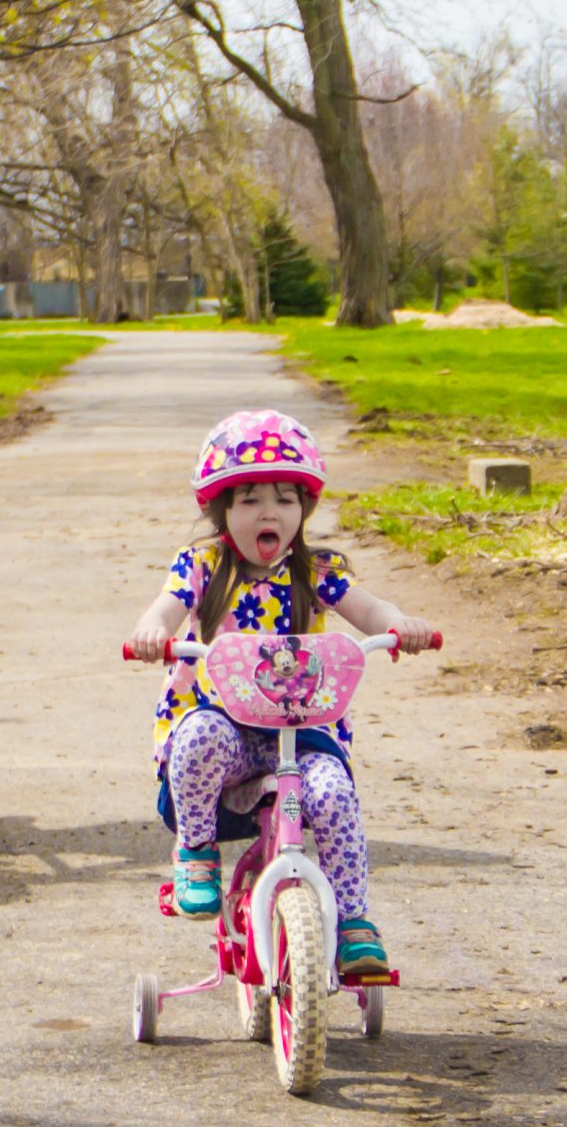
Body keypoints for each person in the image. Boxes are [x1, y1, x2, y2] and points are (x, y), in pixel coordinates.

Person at [125, 411, 438, 977]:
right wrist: (152, 630)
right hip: (229, 732)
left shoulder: (317, 571)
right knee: (197, 736)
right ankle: (196, 854)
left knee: (334, 794)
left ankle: (353, 920)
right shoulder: (204, 566)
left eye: (284, 499)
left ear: (304, 509)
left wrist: (398, 624)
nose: (268, 512)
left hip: (302, 735)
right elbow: (166, 607)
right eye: (249, 500)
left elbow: (369, 609)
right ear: (221, 510)